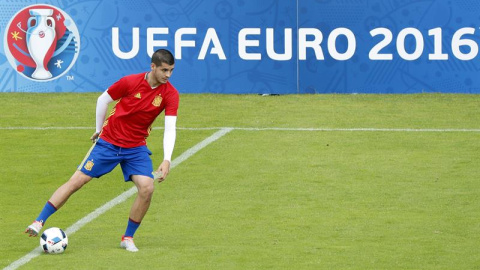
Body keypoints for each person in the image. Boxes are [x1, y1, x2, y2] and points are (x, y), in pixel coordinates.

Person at [25, 49, 179, 252]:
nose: (168, 75)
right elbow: (102, 100)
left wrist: (167, 159)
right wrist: (99, 130)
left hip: (136, 147)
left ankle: (128, 237)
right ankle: (39, 221)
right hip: (109, 142)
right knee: (77, 181)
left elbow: (170, 128)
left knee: (147, 188)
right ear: (153, 66)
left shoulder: (170, 94)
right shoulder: (130, 82)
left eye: (171, 71)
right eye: (164, 70)